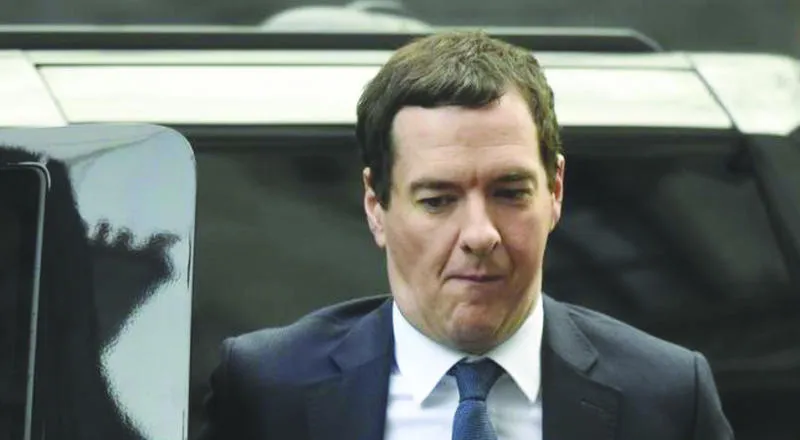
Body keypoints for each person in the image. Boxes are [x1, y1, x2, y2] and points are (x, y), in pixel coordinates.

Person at [198, 31, 734, 440]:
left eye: (510, 192)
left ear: (555, 191)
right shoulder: (269, 389)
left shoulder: (664, 396)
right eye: (437, 200)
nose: (480, 234)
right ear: (376, 206)